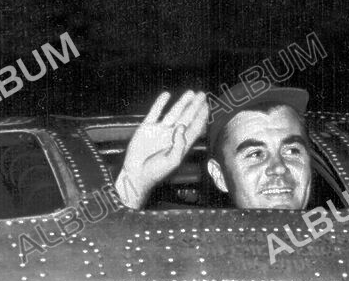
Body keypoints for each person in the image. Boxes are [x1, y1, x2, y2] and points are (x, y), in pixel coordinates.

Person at [114, 84, 313, 211]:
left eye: (292, 151)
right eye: (256, 154)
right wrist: (134, 183)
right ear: (219, 176)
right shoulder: (197, 257)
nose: (279, 167)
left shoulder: (342, 242)